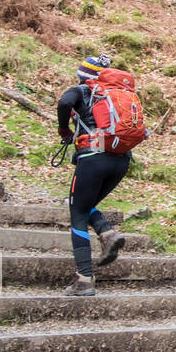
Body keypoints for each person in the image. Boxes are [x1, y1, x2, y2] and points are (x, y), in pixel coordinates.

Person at [57, 54, 128, 296]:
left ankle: (84, 280)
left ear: (82, 75)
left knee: (77, 212)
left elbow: (64, 102)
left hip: (93, 158)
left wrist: (63, 128)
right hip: (121, 159)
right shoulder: (116, 97)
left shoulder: (81, 90)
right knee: (85, 204)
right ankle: (107, 233)